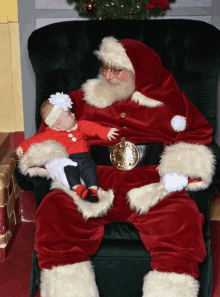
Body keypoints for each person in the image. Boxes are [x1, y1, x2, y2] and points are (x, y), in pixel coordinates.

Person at [20, 37, 215, 297]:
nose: (109, 75)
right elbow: (48, 132)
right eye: (105, 67)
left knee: (182, 218)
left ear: (138, 70)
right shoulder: (78, 99)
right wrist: (57, 161)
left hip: (150, 183)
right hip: (93, 179)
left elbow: (198, 136)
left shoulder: (172, 102)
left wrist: (178, 174)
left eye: (117, 69)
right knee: (56, 211)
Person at [16, 92, 119, 202]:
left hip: (84, 157)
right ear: (58, 125)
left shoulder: (79, 125)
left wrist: (106, 132)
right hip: (68, 159)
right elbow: (34, 140)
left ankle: (93, 190)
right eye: (69, 114)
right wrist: (22, 147)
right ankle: (79, 188)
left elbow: (92, 128)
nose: (73, 115)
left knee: (90, 168)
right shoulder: (50, 134)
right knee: (69, 171)